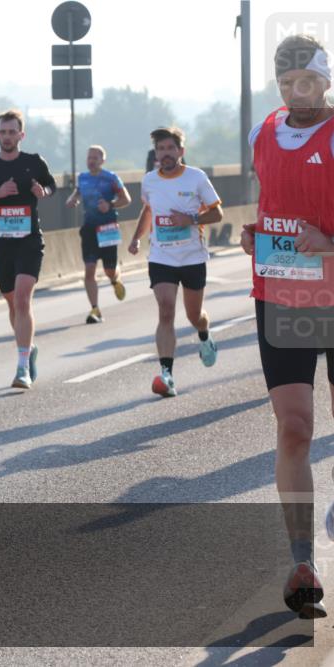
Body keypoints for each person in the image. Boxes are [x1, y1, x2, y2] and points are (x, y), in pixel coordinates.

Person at [241, 34, 334, 619]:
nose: (295, 94)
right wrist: (259, 232)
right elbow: (271, 197)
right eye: (285, 85)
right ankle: (302, 561)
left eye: (305, 82)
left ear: (325, 81)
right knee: (295, 426)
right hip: (285, 294)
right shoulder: (262, 133)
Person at [127, 126, 224, 397]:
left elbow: (217, 213)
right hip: (161, 257)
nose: (166, 154)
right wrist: (136, 238)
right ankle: (167, 374)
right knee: (166, 309)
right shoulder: (149, 180)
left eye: (171, 148)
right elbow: (148, 211)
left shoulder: (196, 178)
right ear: (156, 154)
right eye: (161, 149)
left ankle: (204, 334)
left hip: (192, 256)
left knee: (195, 315)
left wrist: (191, 219)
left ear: (181, 151)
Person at [0, 109, 57, 388]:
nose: (7, 137)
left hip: (29, 242)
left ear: (22, 134)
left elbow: (51, 185)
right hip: (2, 246)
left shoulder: (33, 162)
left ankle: (22, 368)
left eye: (12, 132)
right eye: (2, 132)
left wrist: (43, 192)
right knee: (12, 303)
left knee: (22, 299)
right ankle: (28, 348)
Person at [65, 145, 131, 323]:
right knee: (89, 270)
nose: (91, 161)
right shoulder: (83, 178)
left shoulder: (111, 178)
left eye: (95, 157)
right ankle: (95, 309)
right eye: (89, 157)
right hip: (89, 229)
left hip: (108, 227)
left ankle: (115, 279)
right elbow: (78, 193)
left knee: (109, 269)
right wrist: (73, 199)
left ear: (103, 160)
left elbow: (126, 199)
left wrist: (110, 205)